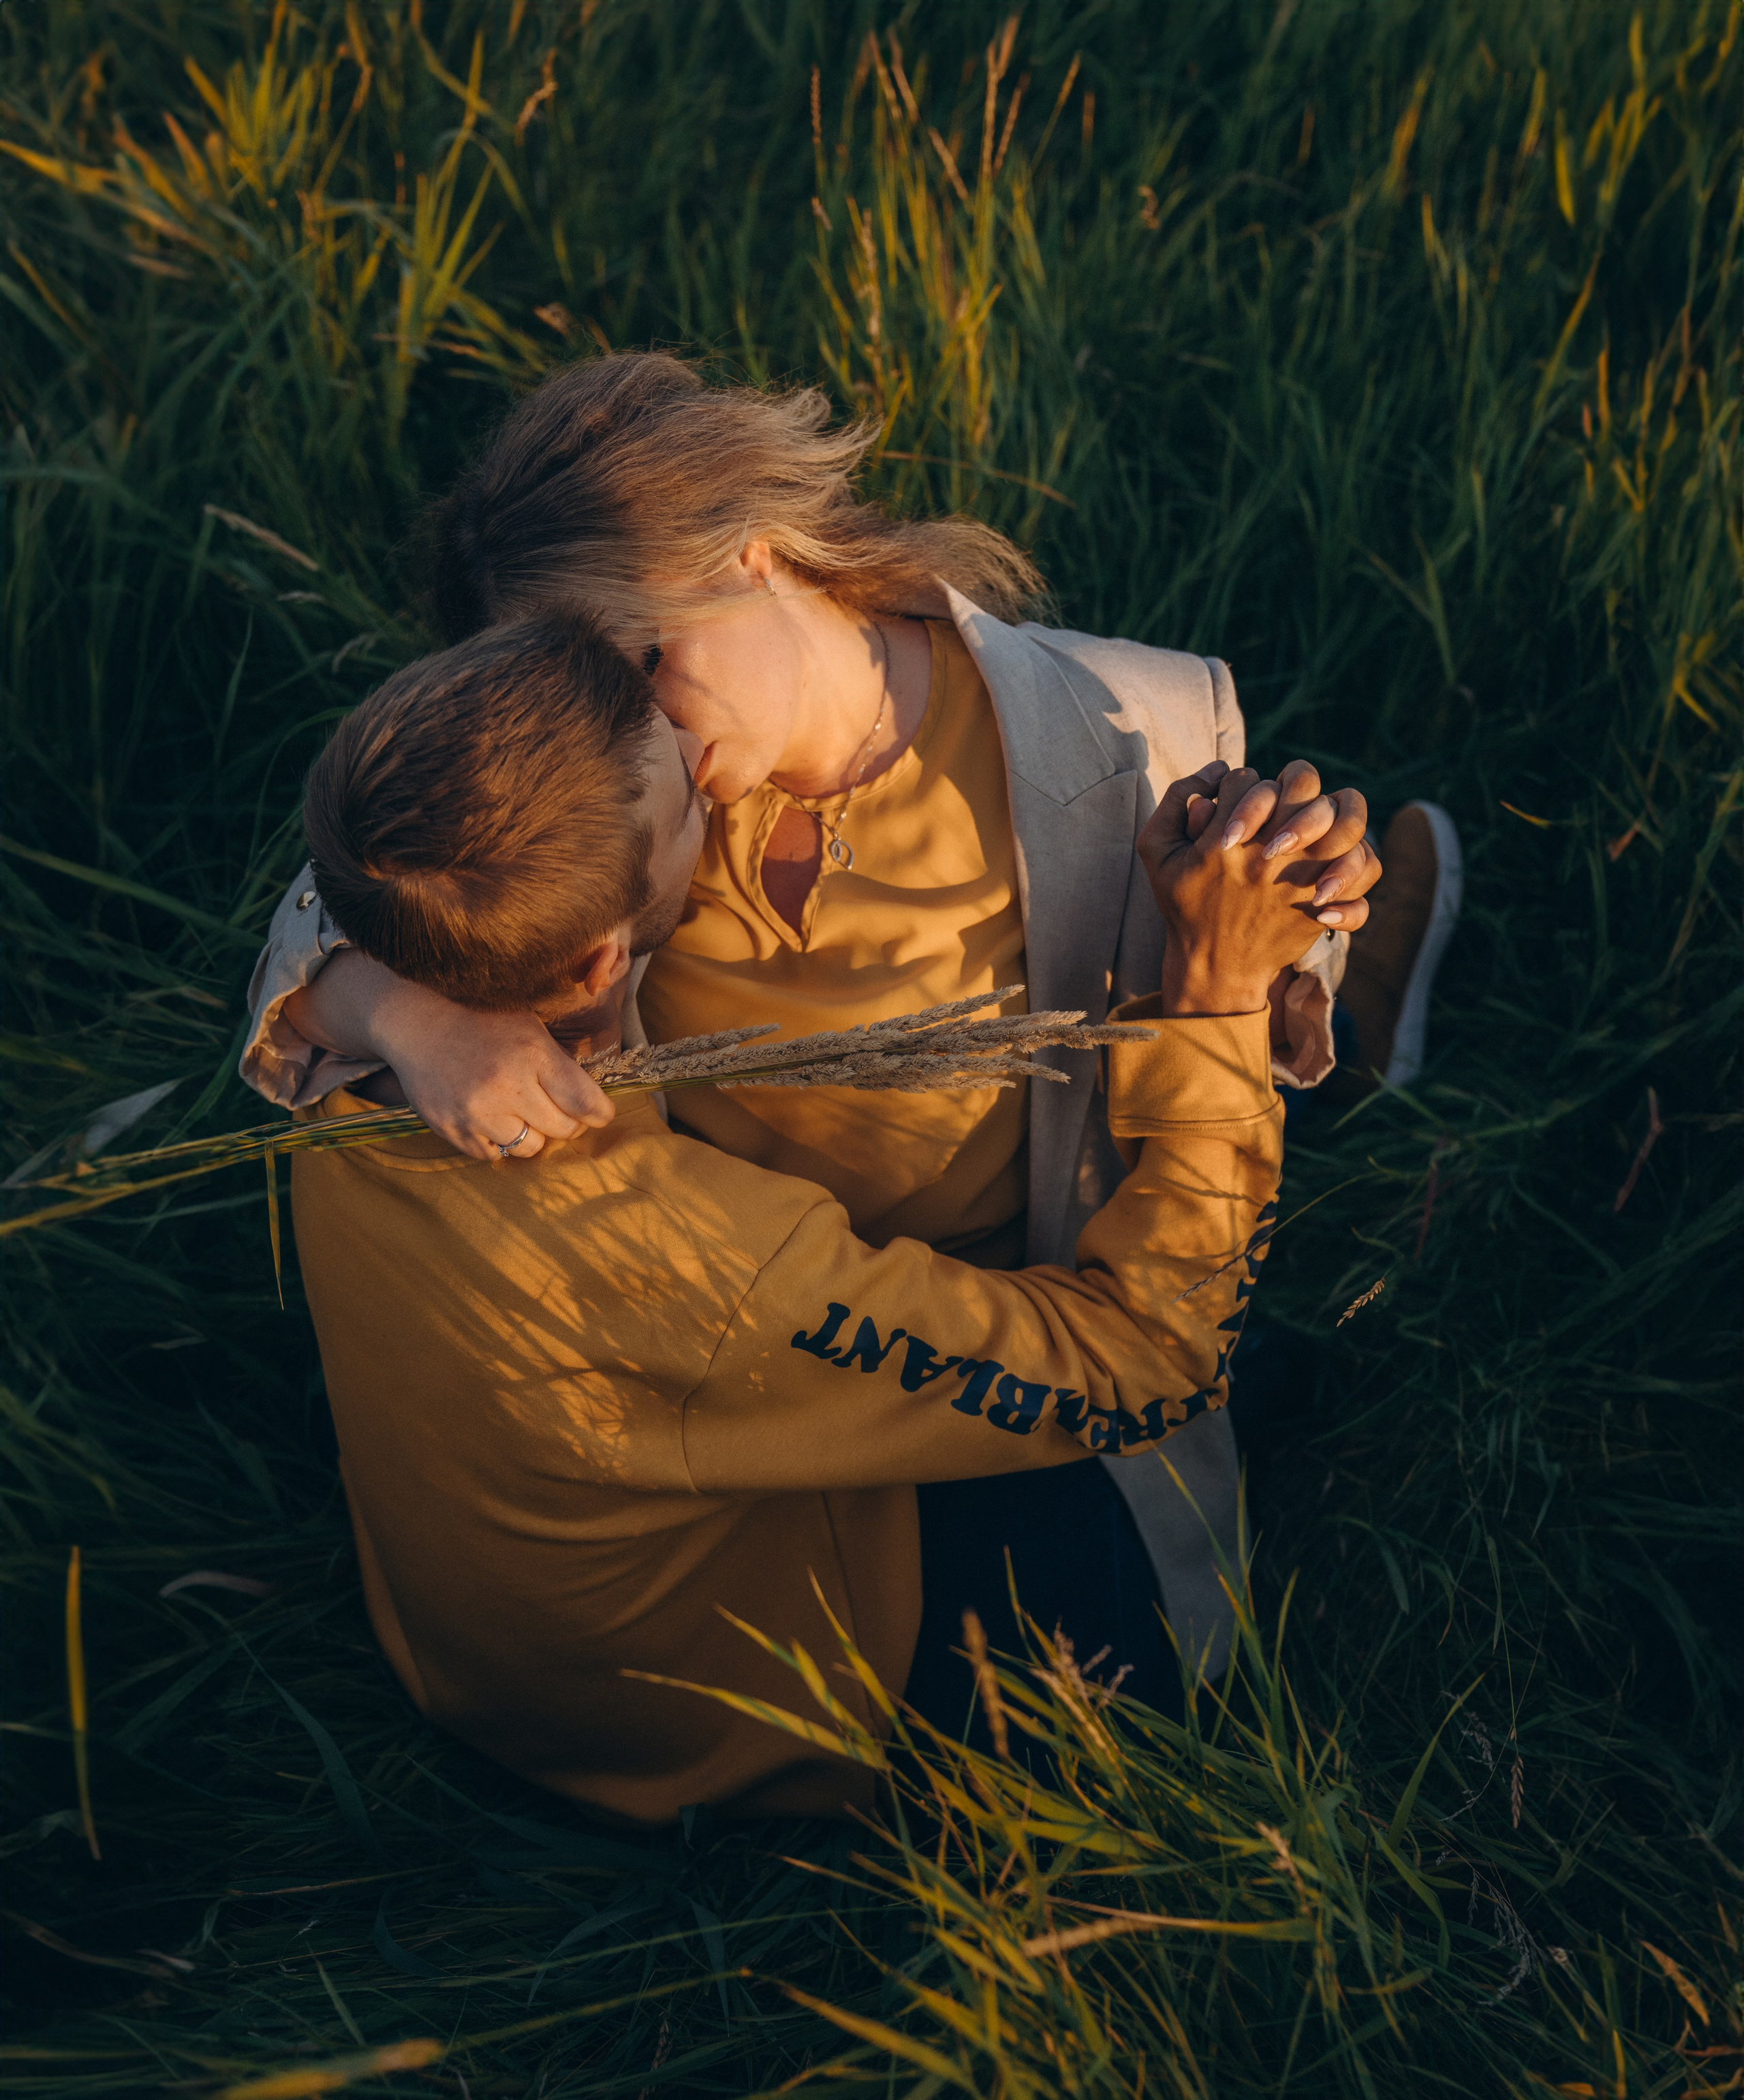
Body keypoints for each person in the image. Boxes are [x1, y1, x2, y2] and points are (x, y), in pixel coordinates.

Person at [243, 351, 1402, 1671]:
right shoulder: (619, 817)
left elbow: (1230, 1009)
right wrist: (406, 1012)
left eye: (644, 666)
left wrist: (1304, 927)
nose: (647, 747)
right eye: (589, 703)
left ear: (747, 548)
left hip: (1019, 1298)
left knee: (1226, 1412)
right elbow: (375, 885)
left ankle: (1391, 968)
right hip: (780, 1350)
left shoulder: (1127, 724)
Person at [288, 614, 1359, 1823]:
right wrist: (1218, 998)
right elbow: (1149, 1361)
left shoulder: (359, 1025)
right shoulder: (690, 1258)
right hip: (695, 1727)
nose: (707, 771)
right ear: (597, 967)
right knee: (1110, 1518)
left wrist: (391, 1010)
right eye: (687, 813)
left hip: (476, 1641)